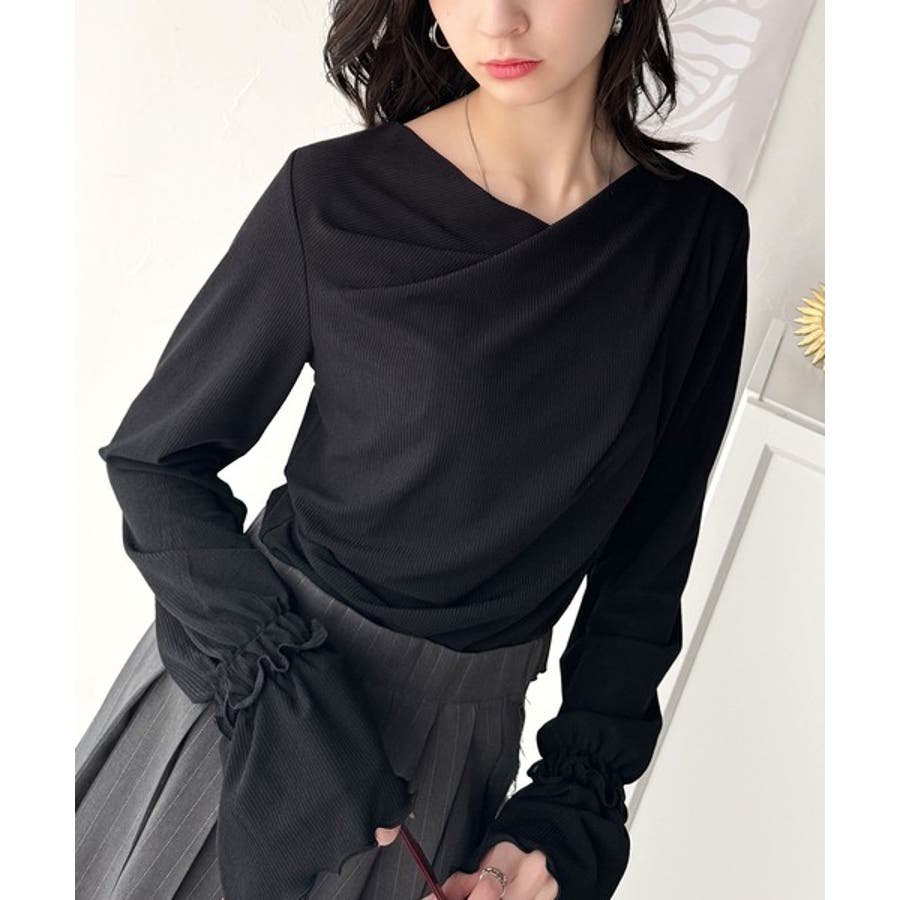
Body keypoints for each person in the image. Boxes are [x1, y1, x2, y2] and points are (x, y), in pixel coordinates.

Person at [75, 2, 751, 899]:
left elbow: (647, 564)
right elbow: (157, 463)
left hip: (456, 761)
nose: (498, 20)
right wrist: (278, 683)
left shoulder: (695, 245)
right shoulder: (335, 196)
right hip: (258, 714)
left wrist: (564, 811)